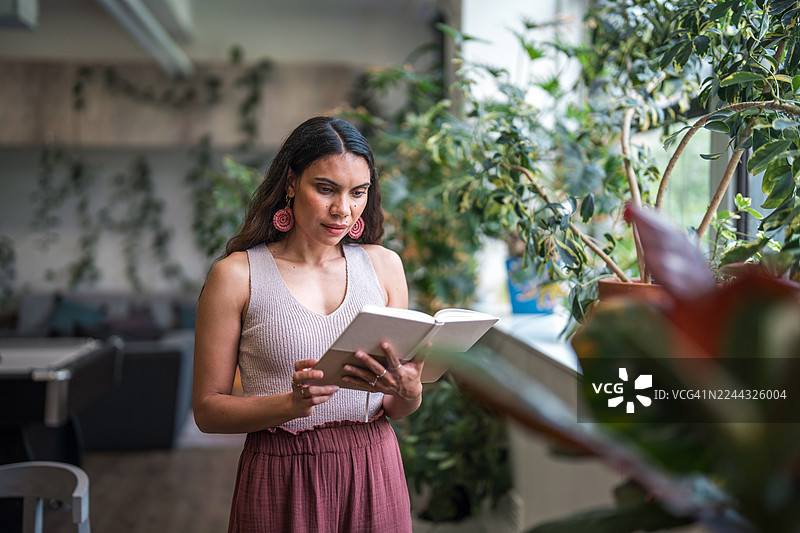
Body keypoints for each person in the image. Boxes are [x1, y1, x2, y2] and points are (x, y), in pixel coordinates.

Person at [192, 116, 423, 533]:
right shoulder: (236, 276)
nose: (343, 209)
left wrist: (410, 392)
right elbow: (207, 411)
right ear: (291, 183)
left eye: (358, 193)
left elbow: (393, 407)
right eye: (326, 188)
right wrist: (291, 405)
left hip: (374, 465)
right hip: (281, 471)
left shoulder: (385, 268)